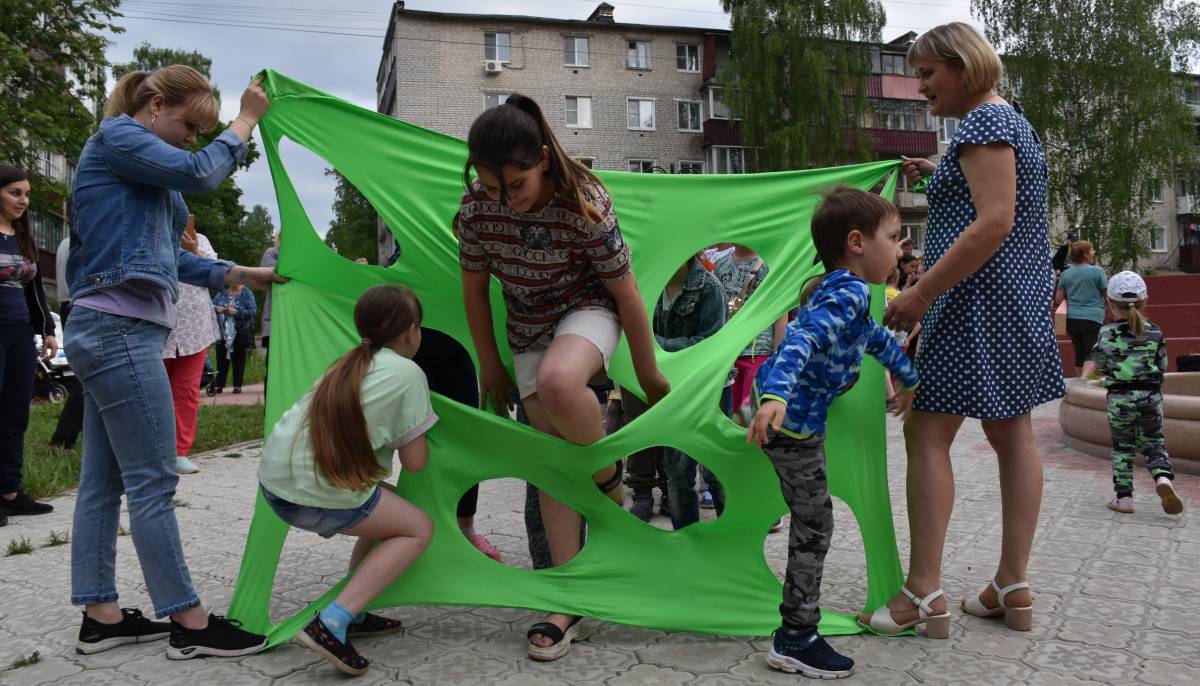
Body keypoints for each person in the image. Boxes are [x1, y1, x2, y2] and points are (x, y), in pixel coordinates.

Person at [66, 65, 282, 658]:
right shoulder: (118, 138)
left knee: (104, 480)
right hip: (118, 330)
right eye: (190, 125)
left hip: (109, 326)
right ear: (155, 105)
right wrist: (246, 120)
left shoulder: (145, 174)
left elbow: (172, 261)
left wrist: (241, 274)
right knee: (154, 481)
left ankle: (102, 616)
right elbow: (199, 172)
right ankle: (188, 624)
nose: (193, 140)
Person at [863, 23, 1064, 637]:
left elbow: (993, 221)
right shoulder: (1007, 122)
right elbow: (994, 202)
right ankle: (1013, 584)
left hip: (973, 302)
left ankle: (922, 593)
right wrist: (938, 168)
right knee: (1014, 435)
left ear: (962, 66)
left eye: (927, 73)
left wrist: (920, 293)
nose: (920, 86)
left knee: (926, 434)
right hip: (1015, 301)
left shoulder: (983, 124)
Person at [457, 93, 670, 661]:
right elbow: (476, 291)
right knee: (551, 454)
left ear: (544, 159)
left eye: (517, 185)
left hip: (589, 311)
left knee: (558, 383)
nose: (506, 200)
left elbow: (626, 294)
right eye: (491, 184)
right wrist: (491, 364)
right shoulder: (477, 208)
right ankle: (569, 596)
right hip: (526, 327)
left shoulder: (587, 202)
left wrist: (647, 375)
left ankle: (609, 485)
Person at [747, 186, 917, 678]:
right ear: (858, 242)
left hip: (796, 422)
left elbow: (876, 338)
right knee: (815, 527)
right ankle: (795, 637)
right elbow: (800, 339)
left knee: (812, 523)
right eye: (894, 237)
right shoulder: (845, 295)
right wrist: (777, 396)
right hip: (792, 425)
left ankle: (796, 633)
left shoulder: (849, 295)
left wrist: (907, 377)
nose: (901, 247)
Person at [258, 285, 434, 676]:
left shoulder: (346, 364)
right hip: (316, 496)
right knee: (418, 529)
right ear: (411, 331)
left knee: (387, 504)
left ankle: (355, 610)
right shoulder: (409, 373)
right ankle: (332, 622)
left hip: (274, 484)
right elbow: (417, 462)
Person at [1081, 272, 1183, 516]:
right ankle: (1163, 479)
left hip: (1120, 399)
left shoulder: (1106, 333)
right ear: (1145, 301)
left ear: (1110, 302)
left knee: (1123, 448)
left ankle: (1124, 499)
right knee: (1154, 443)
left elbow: (1100, 363)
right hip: (1151, 397)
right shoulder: (1156, 333)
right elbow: (1163, 365)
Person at [645, 253, 727, 528]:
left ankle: (730, 539)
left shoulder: (709, 287)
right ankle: (686, 540)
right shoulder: (652, 284)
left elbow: (711, 342)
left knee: (716, 469)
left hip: (709, 390)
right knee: (677, 471)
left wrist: (659, 347)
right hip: (671, 391)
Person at [0, 166, 57, 520]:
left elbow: (34, 289)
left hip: (20, 334)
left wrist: (47, 329)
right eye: (15, 193)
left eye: (26, 194)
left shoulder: (23, 238)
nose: (23, 200)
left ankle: (8, 491)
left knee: (15, 414)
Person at [163, 221, 221, 474]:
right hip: (158, 326)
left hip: (194, 328)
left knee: (186, 392)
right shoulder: (152, 237)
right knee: (153, 391)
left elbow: (214, 276)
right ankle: (150, 450)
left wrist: (194, 249)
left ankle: (178, 451)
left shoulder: (203, 240)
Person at [713, 245, 788, 425]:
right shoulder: (720, 265)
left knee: (752, 422)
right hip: (726, 359)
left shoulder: (771, 266)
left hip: (758, 356)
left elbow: (780, 314)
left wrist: (779, 362)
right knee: (728, 420)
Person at [49, 235, 84, 451]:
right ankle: (62, 440)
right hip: (81, 304)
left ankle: (64, 439)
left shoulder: (64, 241)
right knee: (87, 378)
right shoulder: (83, 239)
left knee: (84, 376)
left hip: (68, 306)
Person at [1053, 239, 1107, 377]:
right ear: (1085, 254)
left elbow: (1058, 299)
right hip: (1093, 317)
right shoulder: (1098, 271)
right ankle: (1084, 381)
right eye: (1091, 251)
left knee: (1079, 351)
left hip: (1072, 318)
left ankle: (1079, 384)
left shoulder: (1066, 274)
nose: (1093, 253)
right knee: (1092, 352)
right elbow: (1107, 294)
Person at [210, 283, 256, 394]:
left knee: (238, 359)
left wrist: (237, 312)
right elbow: (211, 305)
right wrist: (217, 308)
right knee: (221, 359)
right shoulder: (222, 292)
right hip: (223, 332)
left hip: (240, 331)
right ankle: (219, 385)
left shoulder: (247, 293)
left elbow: (252, 312)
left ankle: (237, 386)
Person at [259, 233, 278, 397]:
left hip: (297, 323)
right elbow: (275, 274)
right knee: (273, 368)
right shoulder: (272, 253)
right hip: (274, 323)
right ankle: (270, 412)